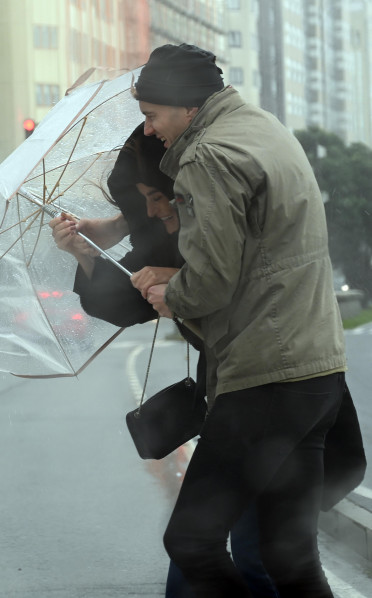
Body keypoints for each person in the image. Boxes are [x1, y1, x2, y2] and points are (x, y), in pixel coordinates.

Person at [131, 43, 348, 596]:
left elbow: (211, 279)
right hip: (315, 370)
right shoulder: (262, 128)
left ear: (185, 106)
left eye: (152, 115)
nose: (151, 130)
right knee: (289, 554)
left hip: (265, 377)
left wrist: (169, 293)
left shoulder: (207, 156)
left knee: (192, 542)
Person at [50, 123, 278, 598]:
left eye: (158, 197)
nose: (153, 211)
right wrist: (87, 252)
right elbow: (124, 301)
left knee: (249, 552)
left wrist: (179, 282)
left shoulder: (228, 207)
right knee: (212, 547)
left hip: (273, 389)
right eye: (143, 202)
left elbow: (254, 290)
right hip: (229, 395)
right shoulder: (163, 228)